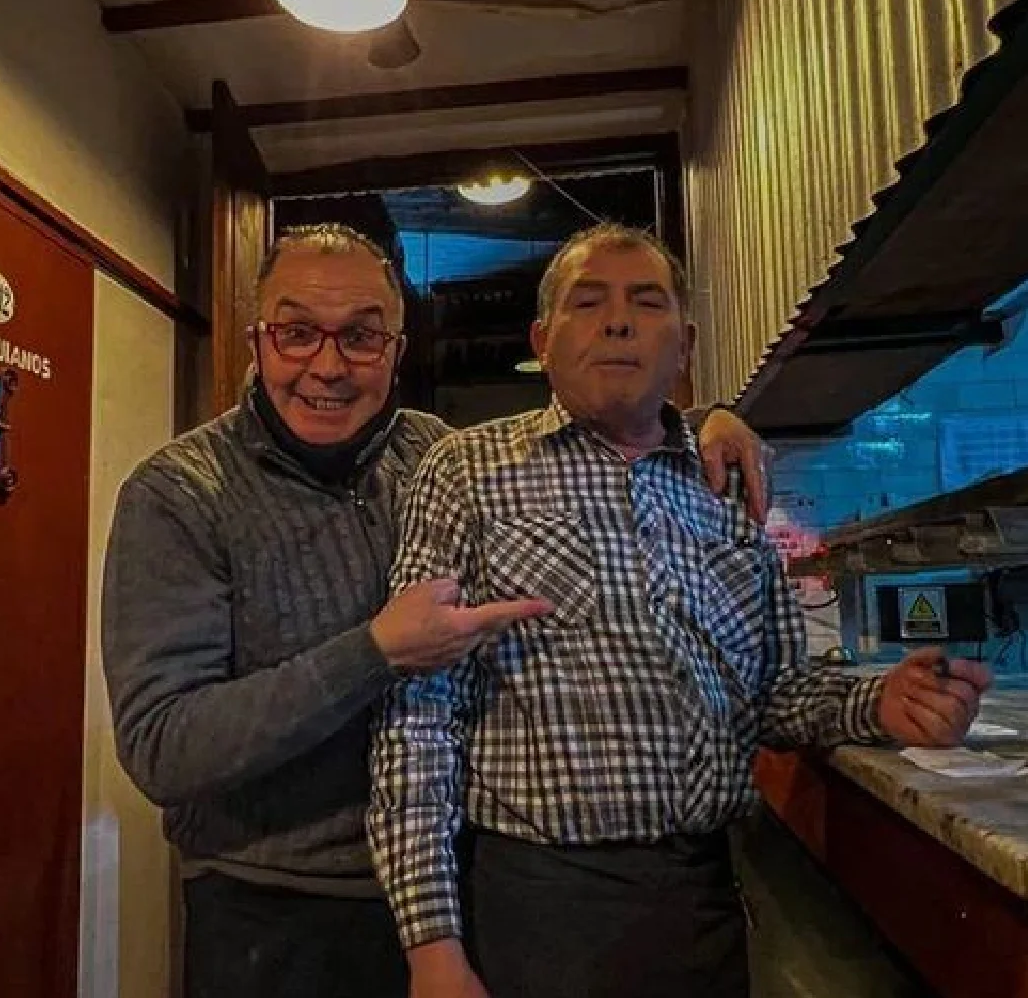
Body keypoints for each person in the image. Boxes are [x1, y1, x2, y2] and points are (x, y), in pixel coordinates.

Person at [101, 223, 767, 998]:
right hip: (276, 915)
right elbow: (163, 748)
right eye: (297, 333)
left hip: (455, 894)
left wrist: (699, 422)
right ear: (257, 341)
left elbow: (591, 432)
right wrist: (374, 652)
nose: (328, 366)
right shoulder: (180, 494)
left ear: (396, 349)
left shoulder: (432, 453)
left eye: (361, 337)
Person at [368, 223, 993, 998]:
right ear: (542, 340)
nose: (618, 322)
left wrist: (880, 703)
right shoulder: (466, 471)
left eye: (646, 301)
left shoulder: (725, 485)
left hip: (703, 897)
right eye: (587, 302)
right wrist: (431, 945)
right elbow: (417, 715)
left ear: (685, 344)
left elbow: (773, 693)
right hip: (536, 905)